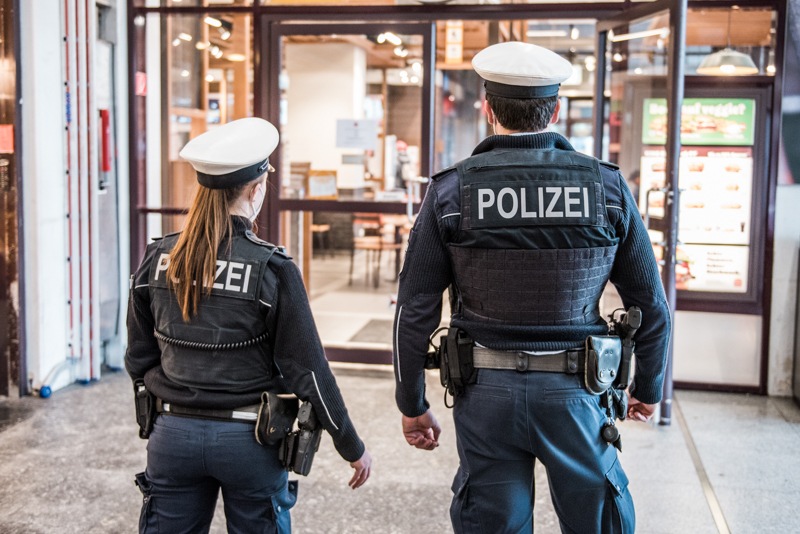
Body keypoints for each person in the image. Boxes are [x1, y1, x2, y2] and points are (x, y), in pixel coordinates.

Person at [393, 41, 671, 533]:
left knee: (493, 521)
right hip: (578, 395)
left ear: (487, 108)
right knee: (597, 521)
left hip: (485, 396)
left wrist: (412, 403)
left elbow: (414, 307)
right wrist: (648, 387)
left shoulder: (452, 191)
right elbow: (649, 302)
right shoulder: (604, 187)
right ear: (556, 109)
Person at [125, 117, 372, 533]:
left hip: (172, 438)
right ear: (256, 191)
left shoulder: (158, 258)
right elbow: (308, 370)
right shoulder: (272, 268)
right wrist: (351, 445)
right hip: (250, 441)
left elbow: (138, 356)